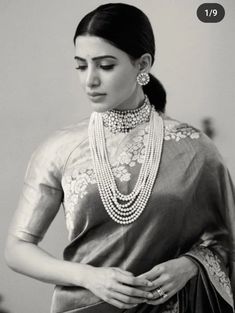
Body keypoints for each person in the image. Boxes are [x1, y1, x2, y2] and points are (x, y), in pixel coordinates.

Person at [4, 3, 235, 313]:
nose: (90, 80)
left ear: (142, 65)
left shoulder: (194, 148)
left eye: (106, 65)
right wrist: (90, 277)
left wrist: (190, 266)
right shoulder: (59, 149)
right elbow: (17, 249)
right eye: (81, 66)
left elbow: (226, 241)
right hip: (84, 305)